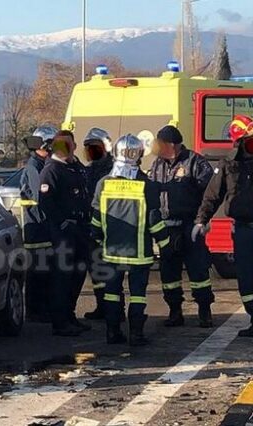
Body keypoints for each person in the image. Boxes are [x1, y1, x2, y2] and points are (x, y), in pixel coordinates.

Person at [91, 134, 172, 345]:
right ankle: (136, 334)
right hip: (140, 253)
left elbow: (96, 220)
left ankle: (112, 332)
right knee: (138, 295)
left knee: (111, 293)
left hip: (111, 252)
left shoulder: (103, 184)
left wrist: (98, 240)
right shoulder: (148, 185)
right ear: (140, 155)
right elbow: (154, 220)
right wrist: (165, 245)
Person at [149, 125, 215, 328]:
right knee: (169, 274)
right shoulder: (157, 165)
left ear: (172, 145)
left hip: (190, 226)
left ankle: (204, 311)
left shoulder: (195, 162)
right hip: (167, 227)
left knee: (199, 272)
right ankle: (175, 311)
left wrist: (203, 221)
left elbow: (211, 193)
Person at [194, 115, 253, 337]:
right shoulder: (228, 164)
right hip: (244, 229)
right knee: (246, 278)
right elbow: (213, 195)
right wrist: (202, 219)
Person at [38, 130, 91, 336]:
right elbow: (46, 202)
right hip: (63, 232)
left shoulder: (75, 168)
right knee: (62, 277)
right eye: (60, 145)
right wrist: (62, 223)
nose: (65, 149)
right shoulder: (51, 170)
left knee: (77, 275)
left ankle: (70, 316)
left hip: (80, 228)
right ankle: (60, 322)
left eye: (68, 145)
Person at [19, 126, 57, 323]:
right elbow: (42, 196)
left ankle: (43, 309)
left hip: (42, 226)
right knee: (37, 272)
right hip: (36, 227)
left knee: (44, 271)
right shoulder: (35, 167)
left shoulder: (41, 164)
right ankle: (35, 311)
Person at [82, 128, 116, 320]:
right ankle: (102, 305)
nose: (91, 151)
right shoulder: (88, 170)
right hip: (92, 227)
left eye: (94, 147)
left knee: (111, 271)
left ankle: (114, 310)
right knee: (96, 270)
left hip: (110, 226)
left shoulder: (113, 170)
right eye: (88, 148)